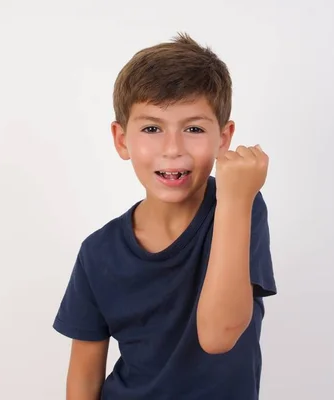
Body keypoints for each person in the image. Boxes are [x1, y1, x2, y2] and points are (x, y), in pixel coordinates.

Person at [52, 32, 277, 400]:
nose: (172, 149)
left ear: (224, 137)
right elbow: (83, 377)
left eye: (193, 129)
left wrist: (237, 198)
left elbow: (219, 334)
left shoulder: (240, 206)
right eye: (152, 128)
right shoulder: (97, 253)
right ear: (121, 139)